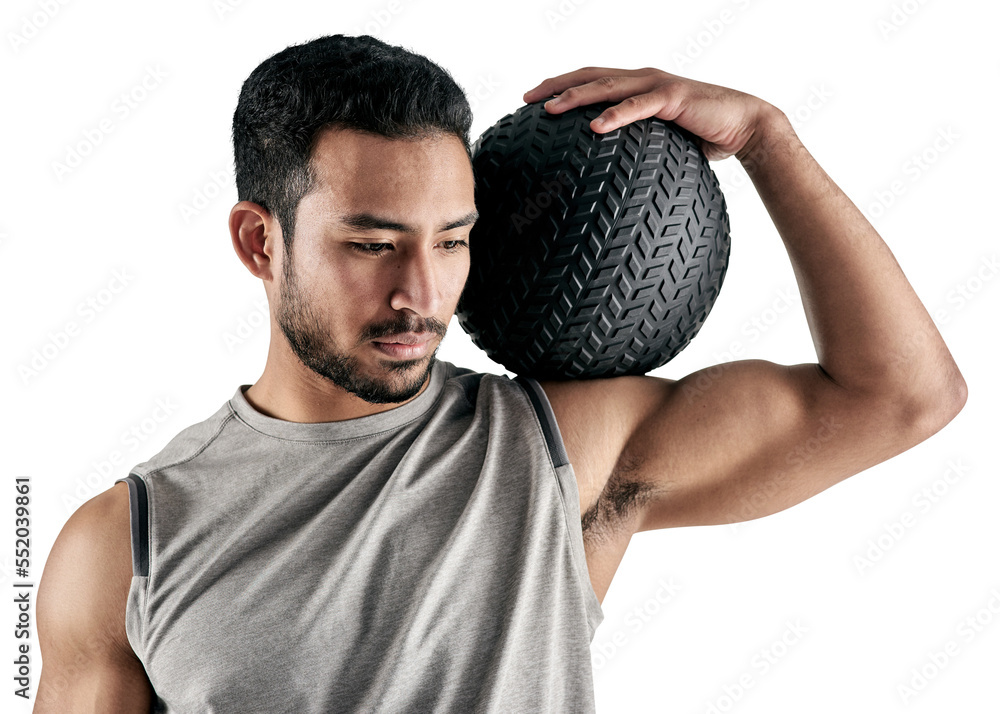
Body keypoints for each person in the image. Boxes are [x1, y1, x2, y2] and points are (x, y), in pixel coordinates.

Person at [34, 34, 966, 713]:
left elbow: (903, 396)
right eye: (371, 244)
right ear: (259, 241)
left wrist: (767, 139)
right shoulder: (127, 544)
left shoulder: (556, 452)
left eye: (452, 241)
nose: (422, 294)